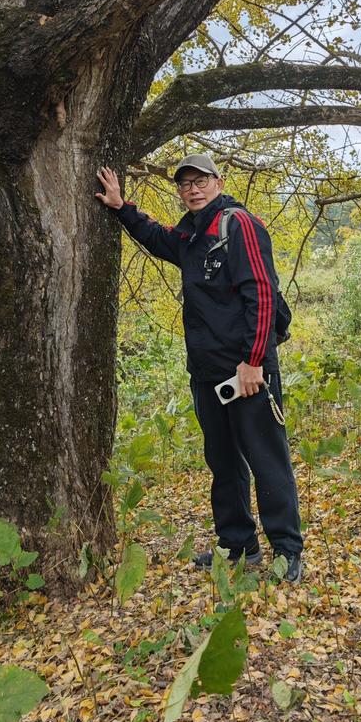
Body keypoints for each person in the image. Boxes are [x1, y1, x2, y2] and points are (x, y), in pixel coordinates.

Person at [96, 154, 303, 583]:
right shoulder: (192, 234)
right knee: (223, 461)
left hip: (247, 370)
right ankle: (238, 548)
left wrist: (254, 361)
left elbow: (261, 293)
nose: (193, 188)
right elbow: (156, 236)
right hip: (207, 372)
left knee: (266, 459)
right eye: (185, 182)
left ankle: (287, 553)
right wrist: (121, 207)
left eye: (201, 180)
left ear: (218, 181)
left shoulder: (236, 224)